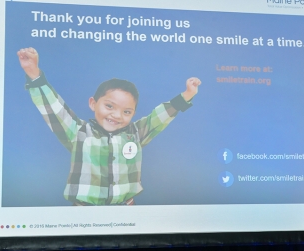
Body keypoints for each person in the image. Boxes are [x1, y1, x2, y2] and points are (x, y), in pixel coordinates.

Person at [17, 47, 201, 206]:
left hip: (127, 210)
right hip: (84, 212)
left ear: (133, 114)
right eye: (109, 106)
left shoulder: (136, 133)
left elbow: (160, 116)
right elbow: (54, 108)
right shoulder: (79, 132)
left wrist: (186, 95)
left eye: (127, 112)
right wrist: (34, 75)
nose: (116, 115)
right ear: (93, 103)